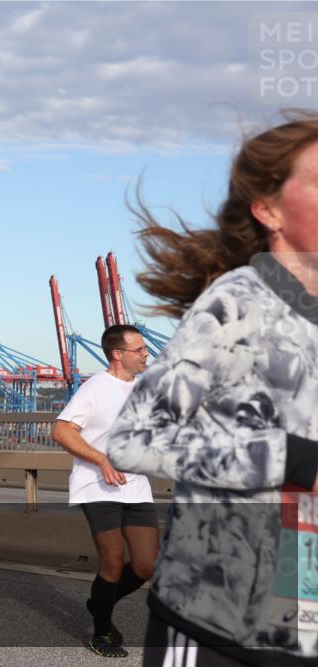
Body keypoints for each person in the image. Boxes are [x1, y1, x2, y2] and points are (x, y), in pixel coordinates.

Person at [107, 112, 318, 666]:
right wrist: (286, 457)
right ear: (269, 210)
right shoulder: (236, 302)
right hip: (213, 621)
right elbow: (133, 439)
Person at [52, 325, 160, 658]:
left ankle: (100, 601)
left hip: (136, 486)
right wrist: (101, 459)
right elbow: (61, 430)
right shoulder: (95, 388)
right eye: (139, 350)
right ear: (118, 354)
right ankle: (102, 631)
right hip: (97, 487)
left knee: (145, 566)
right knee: (112, 564)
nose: (146, 354)